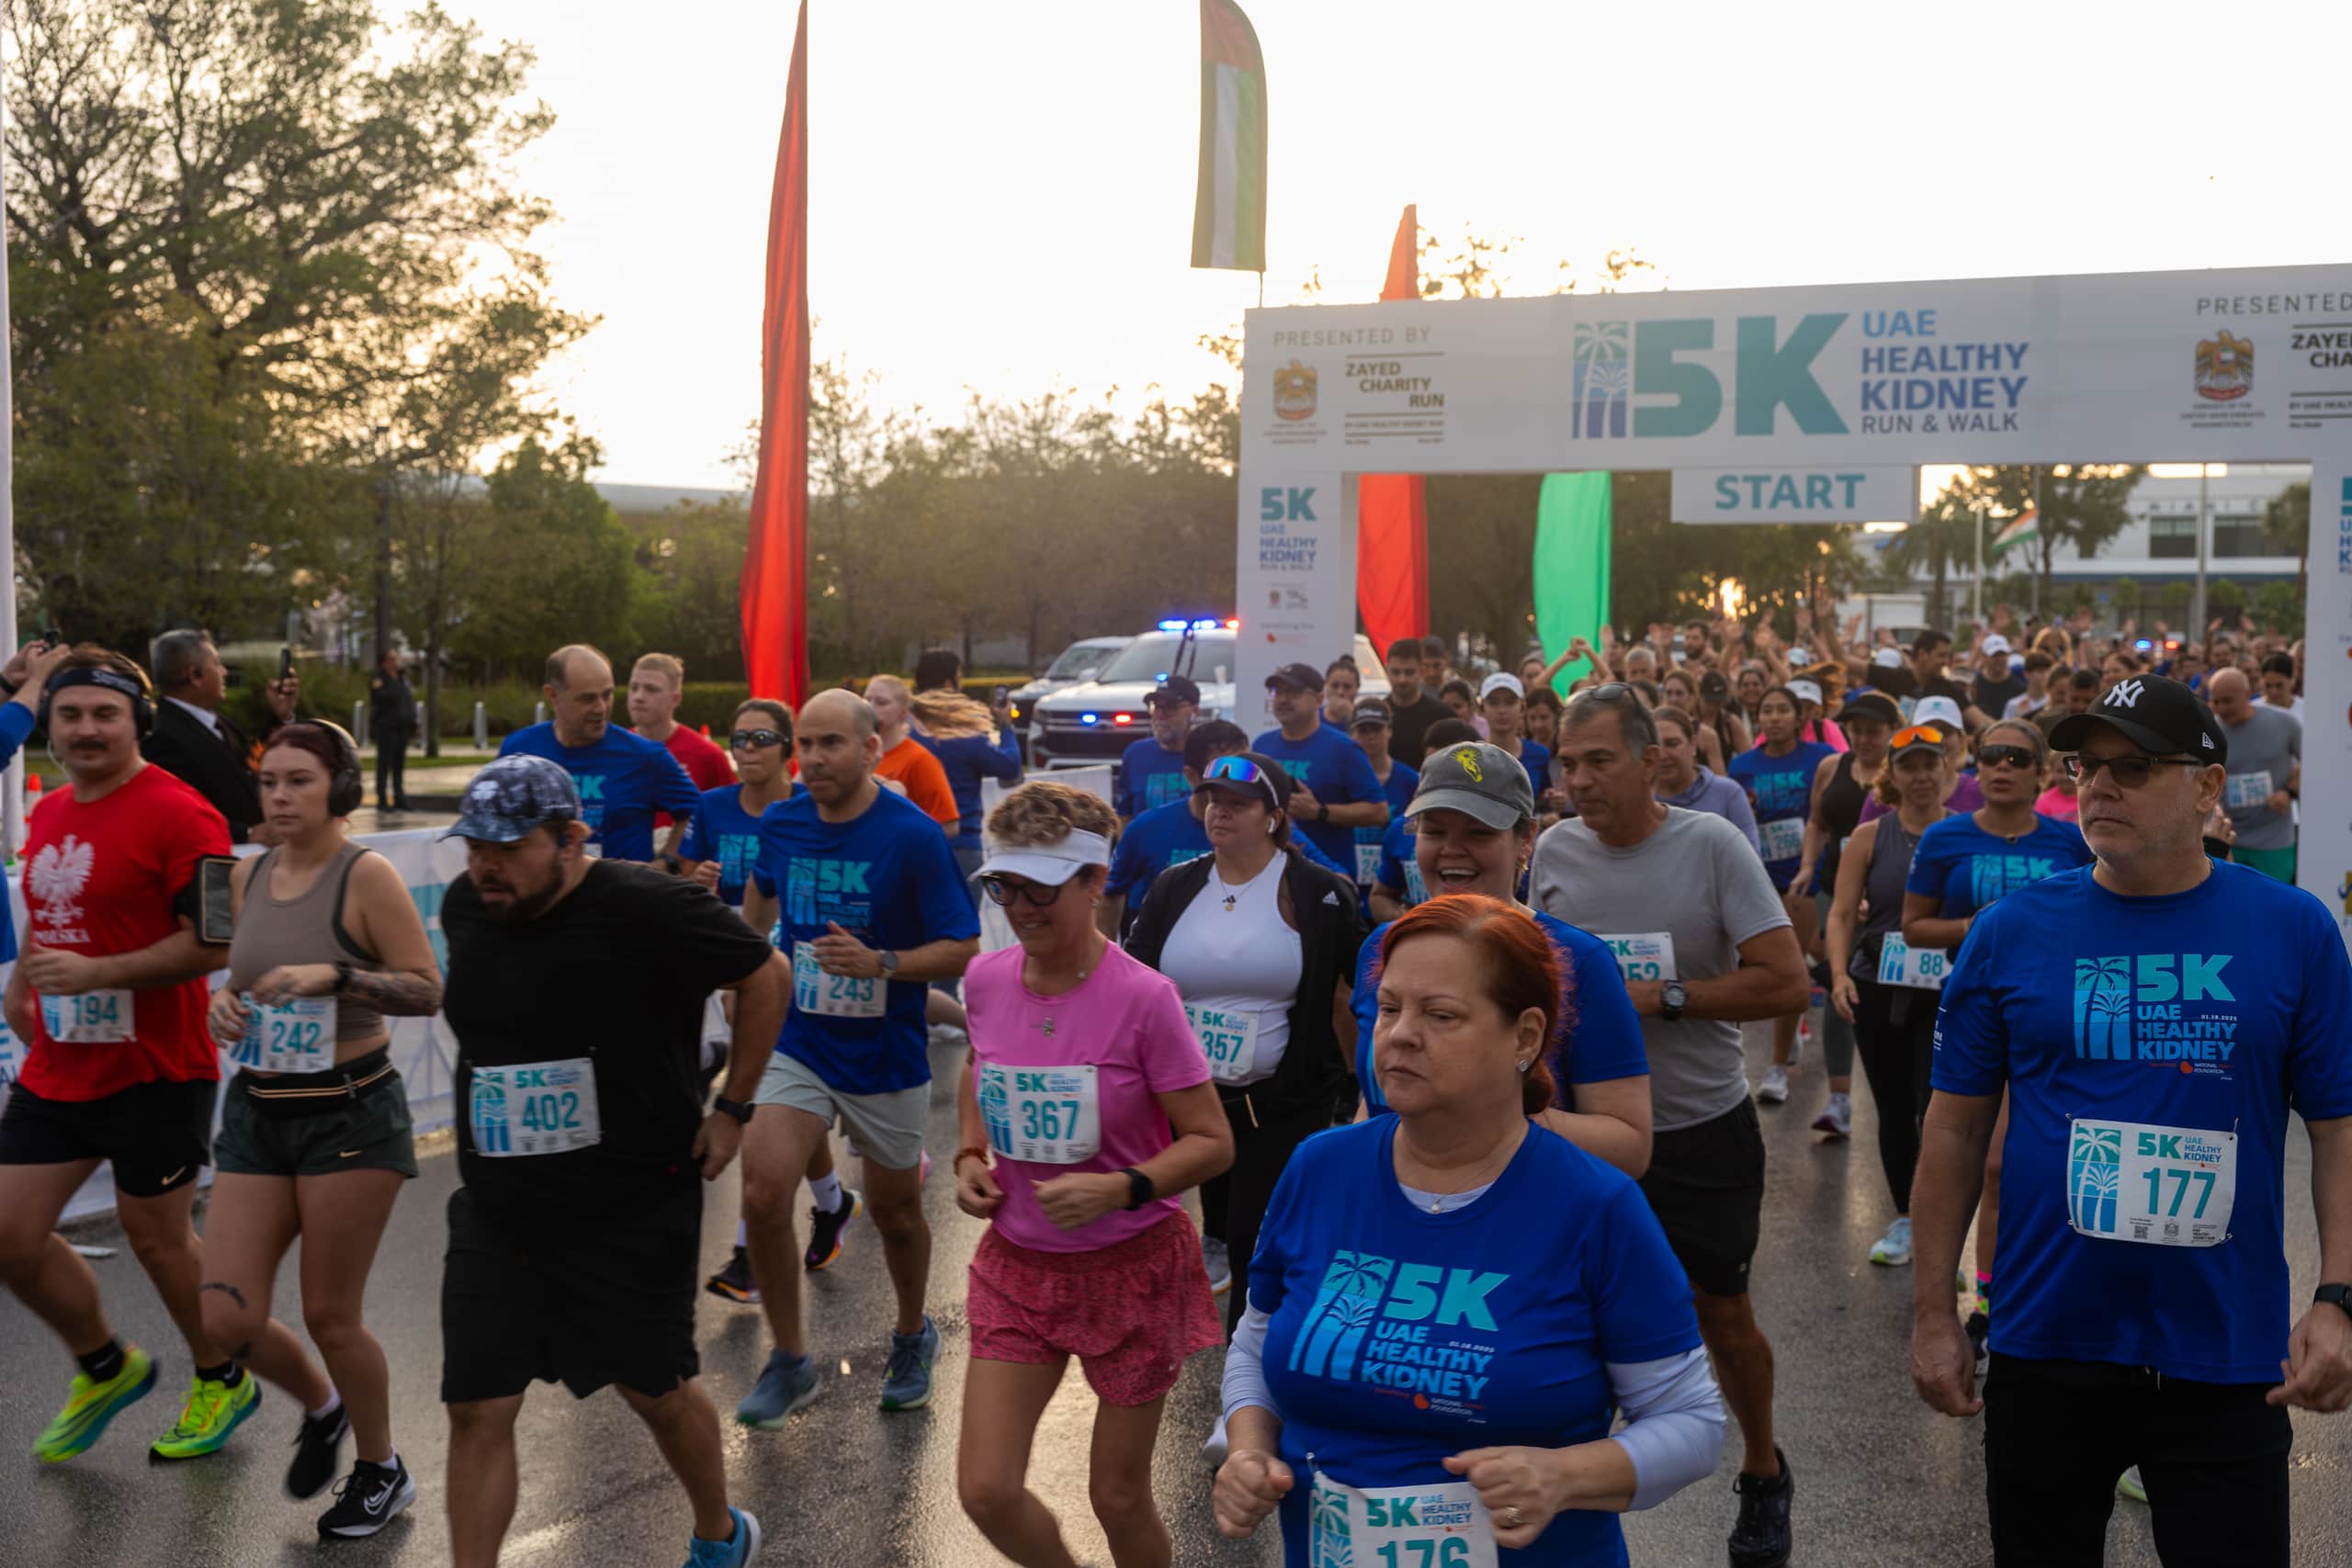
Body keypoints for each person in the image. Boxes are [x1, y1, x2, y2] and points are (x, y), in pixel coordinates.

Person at [1912, 674, 2352, 1567]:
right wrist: (1932, 1315)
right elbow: (1952, 1132)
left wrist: (2337, 1299)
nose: (2099, 786)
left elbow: (2338, 1128)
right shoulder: (2008, 931)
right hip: (2047, 1342)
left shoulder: (2294, 929)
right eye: (2086, 766)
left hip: (2227, 1355)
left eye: (2134, 766)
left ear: (2204, 788)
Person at [1212, 896, 1724, 1566]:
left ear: (1526, 1037)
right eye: (1390, 1008)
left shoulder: (1595, 1207)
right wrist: (1247, 1448)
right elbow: (1255, 1346)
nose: (1399, 1034)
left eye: (1441, 1015)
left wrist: (1563, 1476)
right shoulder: (1320, 1167)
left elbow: (1692, 1422)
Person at [435, 755, 787, 1568]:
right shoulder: (468, 906)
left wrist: (734, 1107)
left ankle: (719, 1531)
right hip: (498, 1205)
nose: (485, 862)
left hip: (629, 1200)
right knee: (478, 1408)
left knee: (657, 1393)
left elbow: (766, 975)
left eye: (507, 845)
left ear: (568, 840)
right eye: (473, 844)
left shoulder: (647, 906)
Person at [1533, 687, 1811, 1568]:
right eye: (1568, 763)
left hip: (1698, 1125)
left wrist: (1661, 998)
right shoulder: (1553, 850)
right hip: (1587, 1133)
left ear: (1653, 759)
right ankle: (1558, 1489)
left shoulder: (1712, 844)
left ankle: (1763, 1468)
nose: (1579, 780)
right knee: (1564, 1315)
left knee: (1722, 1314)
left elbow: (1784, 981)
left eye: (1599, 761)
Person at [952, 784, 1234, 1568]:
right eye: (1005, 885)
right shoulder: (986, 980)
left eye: (1041, 886)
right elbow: (979, 1068)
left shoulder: (1145, 998)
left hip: (1132, 1269)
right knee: (986, 1489)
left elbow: (1212, 1141)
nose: (1021, 905)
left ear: (1092, 879)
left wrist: (1122, 1186)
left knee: (1117, 1496)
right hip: (1019, 1267)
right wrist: (969, 1155)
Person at [0, 647, 253, 1466]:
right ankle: (106, 1366)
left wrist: (99, 972)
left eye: (104, 713)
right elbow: (51, 897)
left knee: (158, 1239)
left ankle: (222, 1374)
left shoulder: (187, 814)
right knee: (8, 1232)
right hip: (62, 1061)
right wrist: (26, 982)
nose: (85, 728)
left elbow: (217, 940)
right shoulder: (52, 810)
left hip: (157, 1063)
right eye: (69, 713)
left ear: (138, 721)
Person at [200, 721, 444, 1535]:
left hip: (350, 1109)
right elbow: (230, 980)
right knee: (225, 1318)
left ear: (340, 789)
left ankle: (382, 1468)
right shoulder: (246, 873)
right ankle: (322, 1404)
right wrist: (224, 1005)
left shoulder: (365, 876)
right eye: (269, 781)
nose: (279, 796)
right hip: (258, 1110)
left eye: (299, 781)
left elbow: (426, 989)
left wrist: (337, 975)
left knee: (331, 1313)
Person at [735, 690, 980, 1422]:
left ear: (872, 748)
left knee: (899, 1214)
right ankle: (789, 1359)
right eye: (804, 744)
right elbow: (759, 905)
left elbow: (963, 945)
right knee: (763, 1191)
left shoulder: (911, 836)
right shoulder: (781, 822)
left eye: (831, 744)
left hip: (884, 1051)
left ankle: (913, 1333)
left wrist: (881, 963)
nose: (812, 759)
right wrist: (744, 971)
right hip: (799, 1039)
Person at [1125, 753, 1363, 1319]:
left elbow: (1360, 991)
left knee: (1256, 1244)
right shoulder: (1176, 885)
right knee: (1174, 1237)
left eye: (1238, 804)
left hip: (1275, 1106)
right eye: (1214, 801)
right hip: (1186, 1105)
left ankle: (1247, 1382)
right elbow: (1133, 980)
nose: (1219, 813)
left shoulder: (1318, 892)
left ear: (1274, 816)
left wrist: (1359, 1085)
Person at [1350, 742, 1652, 1177]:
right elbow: (1376, 1101)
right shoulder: (1383, 947)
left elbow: (1629, 1147)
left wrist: (1492, 1113)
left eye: (1478, 832)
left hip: (1518, 1220)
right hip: (1389, 1218)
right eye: (1434, 832)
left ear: (1525, 837)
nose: (1452, 850)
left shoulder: (1578, 961)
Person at [1902, 718, 2094, 1369]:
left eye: (2017, 756)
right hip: (1975, 1012)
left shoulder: (2072, 841)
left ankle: (2014, 1298)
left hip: (2057, 1018)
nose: (2002, 765)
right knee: (1977, 1160)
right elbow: (1913, 926)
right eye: (1990, 755)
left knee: (2018, 1166)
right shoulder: (1944, 836)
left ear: (2043, 771)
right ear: (1973, 766)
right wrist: (1983, 924)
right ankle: (1987, 1303)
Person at [1825, 723, 1955, 1269]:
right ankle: (1906, 1216)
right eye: (1909, 766)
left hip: (1948, 991)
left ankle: (1943, 1226)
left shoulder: (1964, 833)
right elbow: (1838, 910)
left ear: (1947, 770)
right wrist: (1837, 974)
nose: (1921, 776)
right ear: (1892, 776)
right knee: (1895, 1110)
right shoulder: (1869, 837)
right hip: (1879, 987)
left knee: (1937, 1111)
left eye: (1930, 764)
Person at [1102, 722, 1353, 939]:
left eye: (1248, 766)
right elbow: (1110, 894)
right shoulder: (1146, 829)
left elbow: (1342, 886)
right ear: (1191, 776)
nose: (1238, 780)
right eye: (1221, 774)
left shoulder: (1266, 829)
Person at [1787, 691, 1898, 1136]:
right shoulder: (1831, 767)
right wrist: (1808, 866)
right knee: (1841, 983)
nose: (1864, 738)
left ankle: (1897, 1096)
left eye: (1873, 731)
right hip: (1837, 889)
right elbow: (1818, 821)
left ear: (1892, 730)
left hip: (1890, 899)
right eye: (1856, 730)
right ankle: (1839, 1099)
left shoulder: (1903, 773)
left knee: (1882, 993)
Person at [1729, 685, 1836, 1108]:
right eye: (1766, 711)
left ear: (1798, 717)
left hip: (1803, 874)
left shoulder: (1819, 758)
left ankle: (1776, 1066)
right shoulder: (1742, 765)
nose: (1773, 718)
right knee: (1760, 965)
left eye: (1781, 710)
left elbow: (1825, 814)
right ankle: (1775, 1054)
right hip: (1759, 871)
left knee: (1798, 957)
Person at [499, 645, 701, 864]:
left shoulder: (645, 756)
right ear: (553, 695)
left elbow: (699, 815)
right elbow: (495, 824)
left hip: (621, 896)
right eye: (587, 699)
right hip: (543, 896)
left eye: (607, 695)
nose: (601, 708)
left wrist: (667, 867)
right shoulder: (519, 751)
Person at [142, 626, 300, 843]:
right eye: (216, 664)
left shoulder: (215, 722)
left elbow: (254, 761)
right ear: (195, 676)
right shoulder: (161, 737)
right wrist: (246, 834)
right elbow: (180, 816)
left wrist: (280, 717)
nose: (224, 672)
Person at [1252, 661, 1390, 873]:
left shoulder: (1344, 748)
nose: (1283, 699)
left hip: (1329, 878)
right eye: (1277, 692)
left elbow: (1379, 812)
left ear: (1318, 699)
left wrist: (1321, 812)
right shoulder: (1262, 745)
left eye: (1293, 692)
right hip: (1271, 875)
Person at [910, 684, 1023, 894]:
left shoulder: (909, 738)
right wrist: (1006, 725)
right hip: (962, 844)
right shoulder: (966, 737)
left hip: (914, 844)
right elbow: (1009, 767)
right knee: (964, 921)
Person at [2206, 667, 2301, 885]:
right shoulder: (2211, 732)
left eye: (2227, 701)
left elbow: (2311, 763)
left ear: (2248, 694)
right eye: (2216, 702)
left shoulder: (2284, 723)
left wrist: (2288, 792)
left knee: (2273, 911)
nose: (2221, 709)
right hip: (2227, 839)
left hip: (2273, 842)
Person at [628, 654, 738, 823]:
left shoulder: (707, 754)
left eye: (651, 689)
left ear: (675, 699)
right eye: (634, 688)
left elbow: (731, 816)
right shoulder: (613, 750)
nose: (638, 697)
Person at [1653, 705, 1760, 852]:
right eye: (1655, 746)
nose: (1663, 755)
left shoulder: (1728, 793)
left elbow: (1751, 859)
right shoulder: (1640, 802)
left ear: (1693, 745)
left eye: (1672, 744)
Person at [861, 674, 958, 834]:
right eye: (866, 700)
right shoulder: (856, 754)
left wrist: (903, 839)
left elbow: (949, 826)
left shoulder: (919, 760)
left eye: (881, 702)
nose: (870, 707)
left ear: (903, 713)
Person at [1346, 699, 1419, 893]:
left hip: (1393, 884)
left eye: (1377, 729)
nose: (1370, 737)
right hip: (1350, 883)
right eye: (1363, 730)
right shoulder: (1341, 780)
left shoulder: (1410, 780)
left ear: (1389, 731)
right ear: (1351, 734)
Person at [1117, 675, 1200, 820]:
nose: (1160, 716)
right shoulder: (1136, 753)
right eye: (1155, 707)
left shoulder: (1209, 755)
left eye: (1170, 707)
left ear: (1194, 712)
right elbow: (1125, 814)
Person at [1476, 672, 1553, 796]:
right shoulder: (1472, 757)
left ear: (1522, 708)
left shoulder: (1540, 754)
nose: (1502, 710)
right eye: (1494, 703)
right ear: (1481, 709)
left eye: (1510, 702)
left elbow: (1543, 798)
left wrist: (1552, 806)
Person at [1382, 637, 1451, 770]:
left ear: (1421, 671)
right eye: (1396, 672)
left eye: (1409, 672)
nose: (1402, 679)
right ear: (1386, 670)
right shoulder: (1377, 716)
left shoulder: (1442, 716)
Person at [366, 649, 419, 813]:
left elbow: (408, 701)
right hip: (386, 727)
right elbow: (381, 699)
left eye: (397, 658)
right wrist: (395, 683)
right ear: (385, 662)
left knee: (399, 764)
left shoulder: (403, 679)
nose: (397, 662)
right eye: (393, 659)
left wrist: (414, 722)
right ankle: (382, 799)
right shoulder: (379, 679)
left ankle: (399, 797)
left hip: (402, 726)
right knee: (384, 764)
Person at [1971, 634, 2027, 722]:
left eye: (2003, 654)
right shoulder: (1974, 685)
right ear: (1984, 657)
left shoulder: (2019, 687)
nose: (1999, 659)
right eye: (1995, 655)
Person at [2256, 651, 2303, 719]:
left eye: (2279, 685)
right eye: (2268, 685)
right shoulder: (2252, 712)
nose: (2273, 692)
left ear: (2292, 681)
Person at [1320, 658, 1360, 728]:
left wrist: (1354, 717)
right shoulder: (1312, 718)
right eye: (1335, 686)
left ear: (1357, 688)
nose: (1340, 692)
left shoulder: (1364, 721)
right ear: (1325, 685)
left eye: (1347, 687)